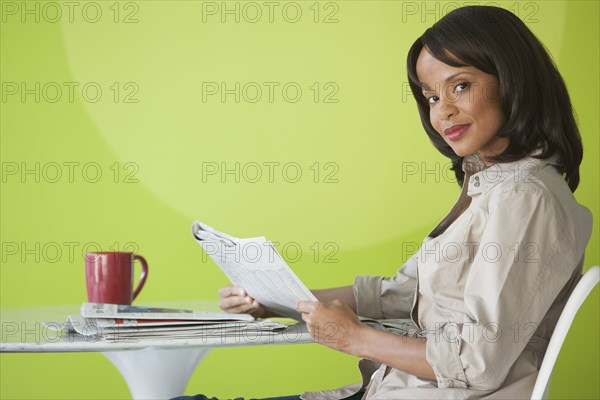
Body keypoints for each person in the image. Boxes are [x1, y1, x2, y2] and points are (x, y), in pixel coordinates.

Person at [174, 5, 593, 400]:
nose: (442, 111)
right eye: (431, 97)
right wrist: (278, 301)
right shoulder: (492, 185)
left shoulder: (524, 198)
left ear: (512, 80)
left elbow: (476, 361)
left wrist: (353, 337)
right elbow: (405, 293)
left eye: (460, 86)